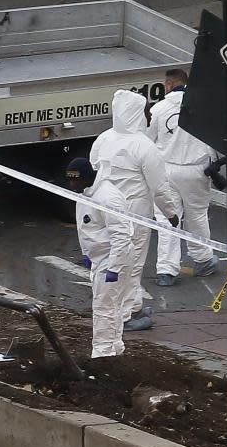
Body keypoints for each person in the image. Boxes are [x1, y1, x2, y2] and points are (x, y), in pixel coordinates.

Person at [90, 90, 179, 331]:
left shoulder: (104, 138)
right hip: (134, 212)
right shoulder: (144, 146)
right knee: (132, 262)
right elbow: (159, 187)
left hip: (105, 209)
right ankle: (126, 314)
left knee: (115, 259)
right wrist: (171, 213)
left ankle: (133, 305)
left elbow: (94, 164)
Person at [146, 68, 219, 287]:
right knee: (197, 216)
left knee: (167, 219)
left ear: (168, 85)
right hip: (196, 170)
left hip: (166, 169)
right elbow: (214, 139)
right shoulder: (203, 107)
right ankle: (204, 259)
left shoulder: (159, 109)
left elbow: (149, 140)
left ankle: (166, 271)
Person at [67, 158, 134, 357]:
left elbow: (121, 236)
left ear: (87, 178)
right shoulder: (86, 193)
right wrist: (87, 254)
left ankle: (102, 354)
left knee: (104, 308)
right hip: (102, 257)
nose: (72, 185)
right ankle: (115, 347)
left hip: (113, 258)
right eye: (70, 181)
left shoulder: (108, 197)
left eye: (75, 181)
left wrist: (114, 267)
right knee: (112, 305)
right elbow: (87, 227)